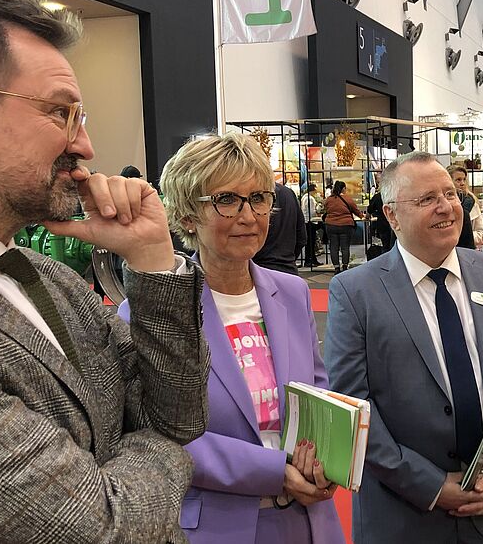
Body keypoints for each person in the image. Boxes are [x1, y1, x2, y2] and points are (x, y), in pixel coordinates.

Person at [0, 0, 211, 541]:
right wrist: (165, 453)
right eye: (60, 112)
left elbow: (181, 413)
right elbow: (99, 527)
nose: (85, 145)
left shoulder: (52, 279)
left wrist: (154, 262)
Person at [119, 133, 343, 543]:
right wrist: (276, 472)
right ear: (187, 215)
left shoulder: (290, 292)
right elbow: (162, 435)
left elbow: (316, 389)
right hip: (220, 525)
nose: (249, 216)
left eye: (259, 198)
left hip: (309, 519)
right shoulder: (152, 311)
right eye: (226, 200)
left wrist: (325, 457)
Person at [324, 151, 483, 543]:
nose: (446, 207)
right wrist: (428, 486)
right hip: (404, 518)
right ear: (392, 215)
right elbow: (353, 405)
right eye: (427, 199)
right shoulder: (355, 292)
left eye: (450, 193)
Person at [253, 182, 306, 276]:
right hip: (287, 267)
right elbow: (301, 237)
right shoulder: (288, 193)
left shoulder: (253, 193)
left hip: (259, 269)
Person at [322, 180, 363, 273]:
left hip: (331, 225)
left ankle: (336, 267)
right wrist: (362, 216)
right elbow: (355, 210)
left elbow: (325, 209)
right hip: (345, 225)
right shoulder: (347, 199)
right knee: (345, 247)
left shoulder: (329, 199)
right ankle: (345, 266)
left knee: (333, 247)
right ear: (343, 188)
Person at [449, 166, 483, 248]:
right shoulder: (443, 204)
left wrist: (467, 235)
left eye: (464, 179)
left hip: (468, 251)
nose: (462, 183)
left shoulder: (471, 202)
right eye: (458, 180)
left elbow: (482, 234)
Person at [367, 175, 394, 255]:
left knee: (385, 245)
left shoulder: (377, 197)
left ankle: (386, 263)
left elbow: (370, 209)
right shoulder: (393, 196)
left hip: (382, 223)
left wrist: (367, 216)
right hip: (395, 222)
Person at [301, 183, 322, 268]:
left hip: (306, 221)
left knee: (309, 243)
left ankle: (311, 259)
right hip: (311, 222)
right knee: (311, 243)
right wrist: (318, 210)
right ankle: (310, 260)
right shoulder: (310, 199)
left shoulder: (304, 197)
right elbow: (312, 212)